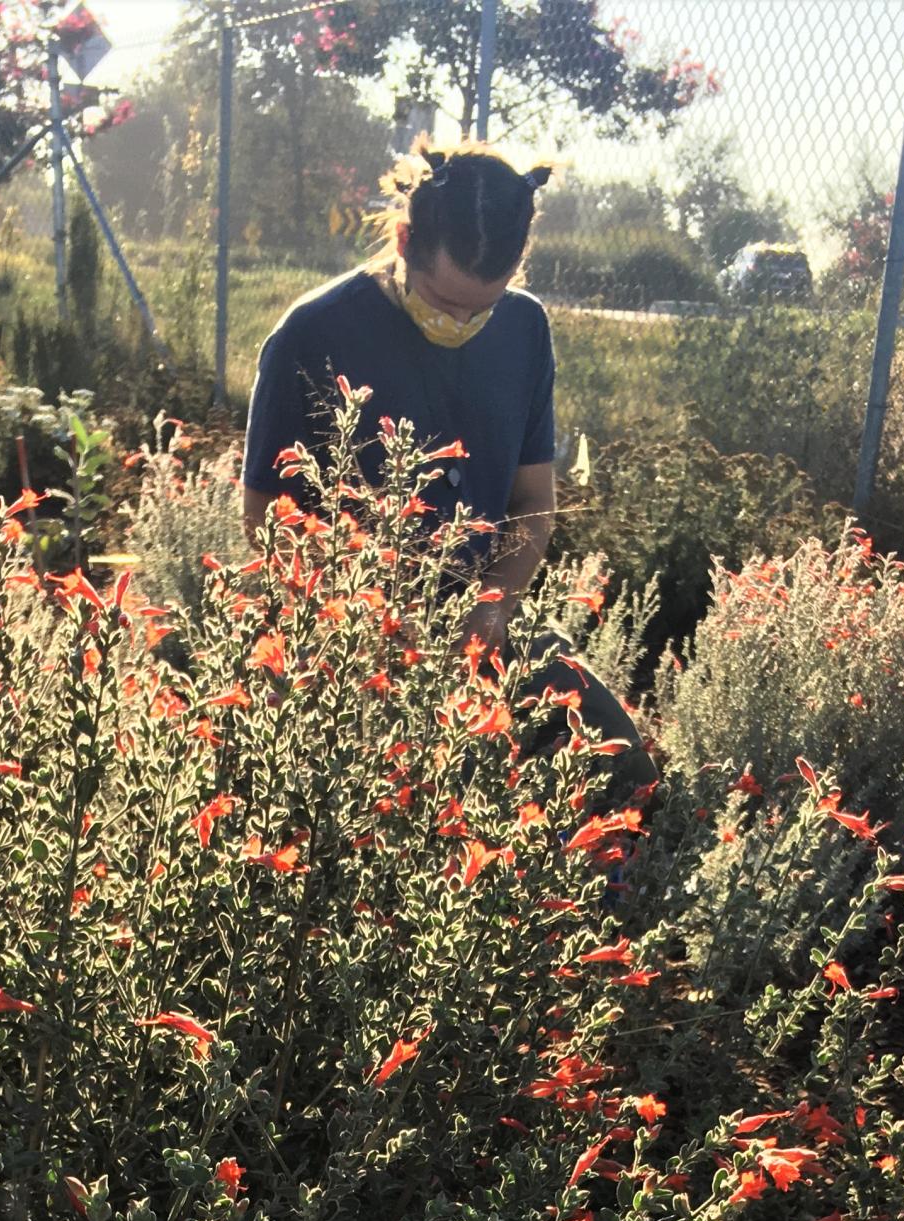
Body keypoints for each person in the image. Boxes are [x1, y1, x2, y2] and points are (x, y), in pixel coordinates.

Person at [241, 141, 652, 809]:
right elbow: (263, 524)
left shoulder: (524, 328)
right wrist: (360, 626)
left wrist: (492, 607)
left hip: (476, 623)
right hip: (345, 639)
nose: (460, 322)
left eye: (480, 308)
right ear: (403, 239)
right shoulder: (310, 333)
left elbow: (532, 506)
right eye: (442, 301)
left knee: (622, 770)